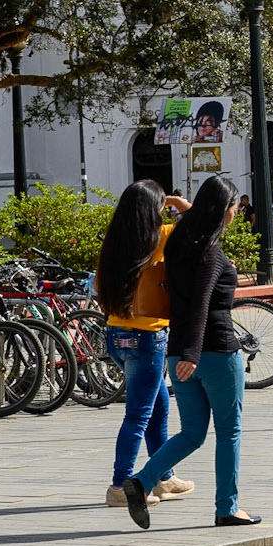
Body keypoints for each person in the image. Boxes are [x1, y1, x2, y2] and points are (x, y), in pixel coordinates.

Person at [120, 174, 260, 529]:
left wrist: (185, 354)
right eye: (233, 207)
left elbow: (197, 217)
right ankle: (227, 508)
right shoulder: (210, 252)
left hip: (177, 349)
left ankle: (142, 480)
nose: (235, 214)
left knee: (193, 432)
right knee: (229, 431)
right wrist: (194, 354)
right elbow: (200, 304)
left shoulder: (180, 240)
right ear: (224, 209)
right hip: (212, 351)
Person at [94, 180, 196, 511]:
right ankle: (119, 486)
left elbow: (97, 286)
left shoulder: (113, 244)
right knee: (138, 414)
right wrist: (178, 202)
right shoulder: (159, 238)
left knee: (159, 405)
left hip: (117, 335)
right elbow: (201, 226)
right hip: (147, 337)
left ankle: (163, 477)